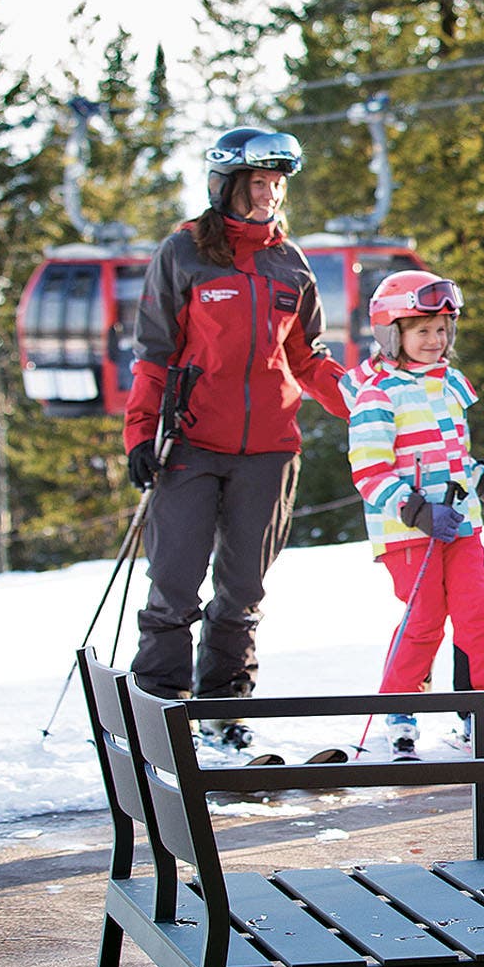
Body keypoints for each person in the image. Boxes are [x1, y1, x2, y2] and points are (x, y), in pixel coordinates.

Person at [124, 127, 352, 752]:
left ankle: (224, 707)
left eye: (277, 184)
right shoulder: (185, 253)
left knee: (243, 588)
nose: (270, 195)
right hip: (191, 444)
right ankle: (160, 708)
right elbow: (153, 352)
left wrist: (362, 404)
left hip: (270, 449)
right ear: (224, 186)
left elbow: (308, 358)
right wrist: (140, 433)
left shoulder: (289, 264)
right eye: (258, 183)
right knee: (174, 582)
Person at [346, 270, 484, 758]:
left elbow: (457, 460)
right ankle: (399, 709)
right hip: (407, 530)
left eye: (443, 329)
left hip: (461, 524)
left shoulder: (449, 387)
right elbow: (368, 470)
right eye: (422, 329)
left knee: (477, 616)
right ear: (392, 333)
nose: (435, 339)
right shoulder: (377, 395)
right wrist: (415, 508)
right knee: (424, 619)